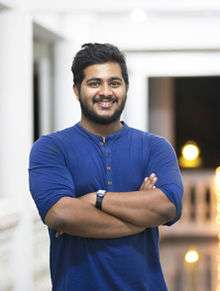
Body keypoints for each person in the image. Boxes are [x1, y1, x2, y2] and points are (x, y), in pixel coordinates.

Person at [29, 43, 183, 291]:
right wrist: (140, 217)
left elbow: (168, 207)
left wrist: (96, 199)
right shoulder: (50, 148)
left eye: (114, 83)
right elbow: (61, 214)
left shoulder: (156, 147)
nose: (105, 91)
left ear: (125, 88)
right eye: (94, 83)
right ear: (76, 90)